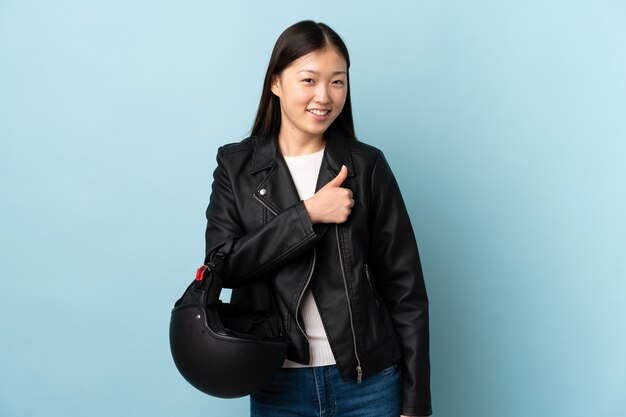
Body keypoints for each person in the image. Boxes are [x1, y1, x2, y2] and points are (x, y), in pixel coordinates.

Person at [203, 20, 432, 417]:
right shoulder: (236, 166)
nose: (324, 97)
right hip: (276, 383)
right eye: (308, 80)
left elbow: (406, 291)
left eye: (337, 82)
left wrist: (415, 403)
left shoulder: (367, 166)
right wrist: (308, 214)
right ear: (276, 82)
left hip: (368, 385)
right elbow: (224, 266)